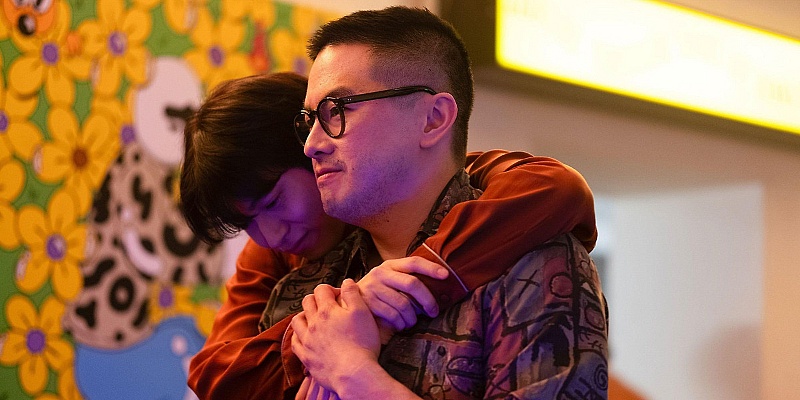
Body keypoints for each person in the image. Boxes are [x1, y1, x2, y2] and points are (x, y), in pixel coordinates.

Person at [180, 72, 597, 398]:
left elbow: (556, 188)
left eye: (273, 201)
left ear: (312, 151)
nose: (269, 235)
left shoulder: (452, 191)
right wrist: (338, 318)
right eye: (247, 223)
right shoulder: (276, 252)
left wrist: (416, 281)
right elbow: (215, 374)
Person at [280, 6, 608, 399]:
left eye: (337, 110)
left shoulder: (533, 266)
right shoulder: (308, 282)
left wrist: (353, 376)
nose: (312, 144)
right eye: (309, 120)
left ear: (434, 118)